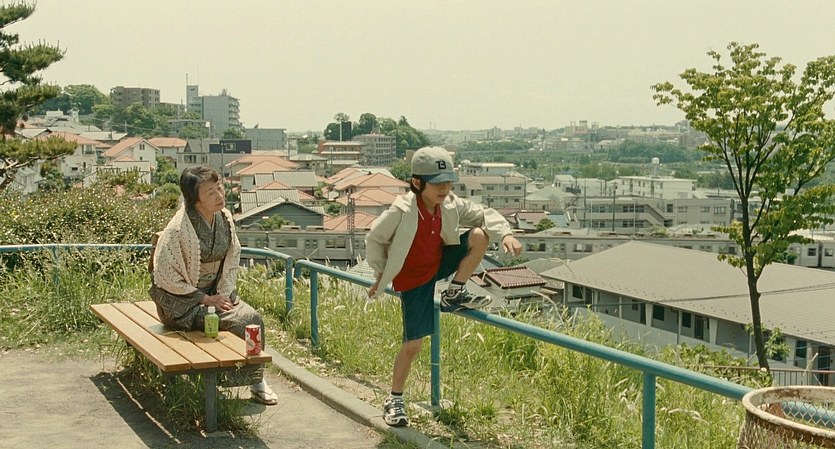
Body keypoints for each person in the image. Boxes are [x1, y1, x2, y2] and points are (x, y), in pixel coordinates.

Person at [365, 146, 523, 427]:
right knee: (413, 344)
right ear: (417, 183)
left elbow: (483, 213)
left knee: (479, 235)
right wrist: (381, 272)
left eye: (448, 182)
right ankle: (394, 399)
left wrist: (506, 234)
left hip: (438, 262)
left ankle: (455, 291)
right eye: (437, 183)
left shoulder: (449, 204)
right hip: (414, 279)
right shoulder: (401, 210)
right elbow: (375, 238)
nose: (445, 188)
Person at [149, 165, 278, 406]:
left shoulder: (225, 218)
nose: (220, 195)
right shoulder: (177, 229)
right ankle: (222, 382)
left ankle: (256, 381)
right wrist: (204, 299)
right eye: (211, 192)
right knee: (236, 321)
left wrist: (222, 293)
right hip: (181, 304)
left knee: (253, 319)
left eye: (219, 188)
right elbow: (165, 276)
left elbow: (232, 258)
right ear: (194, 199)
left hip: (216, 294)